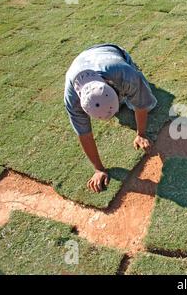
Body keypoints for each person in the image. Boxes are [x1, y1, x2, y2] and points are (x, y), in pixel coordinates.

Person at [64, 43, 157, 193]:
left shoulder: (124, 73)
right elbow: (84, 134)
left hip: (110, 52)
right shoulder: (72, 100)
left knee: (149, 104)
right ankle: (122, 99)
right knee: (126, 105)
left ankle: (127, 91)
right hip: (82, 60)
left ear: (108, 83)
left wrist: (141, 133)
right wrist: (98, 169)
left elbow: (141, 104)